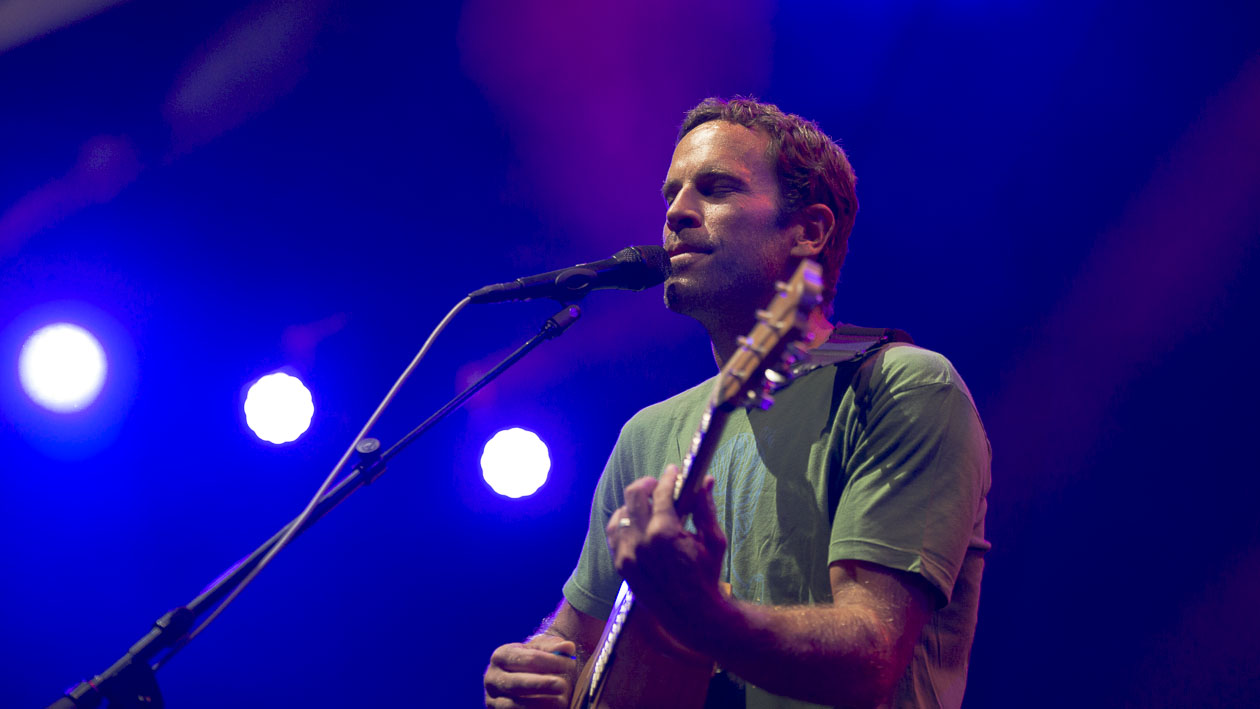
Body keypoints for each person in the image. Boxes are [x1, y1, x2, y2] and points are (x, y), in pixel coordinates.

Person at [483, 97, 991, 709]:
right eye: (671, 193)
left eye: (716, 188)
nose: (676, 212)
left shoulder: (901, 385)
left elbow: (873, 654)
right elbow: (577, 636)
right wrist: (537, 666)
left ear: (810, 231)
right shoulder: (647, 433)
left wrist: (707, 616)